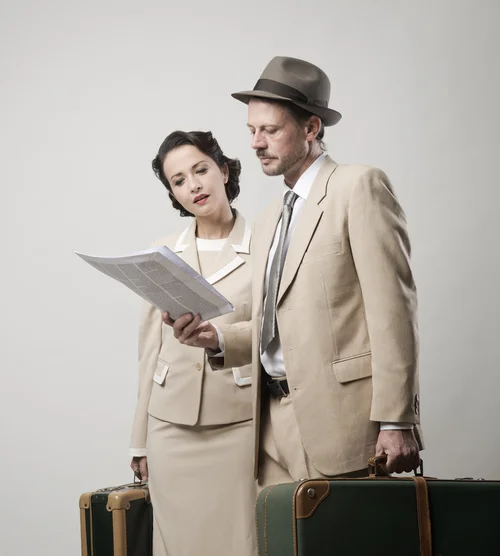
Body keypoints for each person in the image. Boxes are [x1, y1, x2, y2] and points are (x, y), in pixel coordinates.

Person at [163, 57, 424, 489]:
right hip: (270, 431)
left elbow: (393, 312)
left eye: (270, 130)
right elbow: (276, 326)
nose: (256, 143)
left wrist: (397, 419)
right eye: (251, 131)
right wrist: (217, 337)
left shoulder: (357, 187)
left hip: (344, 423)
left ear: (311, 128)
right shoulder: (268, 219)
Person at [128, 130, 257, 555]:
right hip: (169, 428)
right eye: (179, 180)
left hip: (240, 422)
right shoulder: (162, 253)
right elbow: (149, 352)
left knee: (242, 541)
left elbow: (281, 336)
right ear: (173, 193)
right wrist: (139, 440)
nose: (194, 185)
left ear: (222, 169)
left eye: (200, 170)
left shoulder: (268, 246)